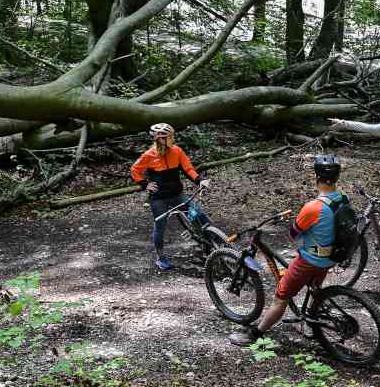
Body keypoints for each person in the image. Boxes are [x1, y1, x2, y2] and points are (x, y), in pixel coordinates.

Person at [229, 154, 344, 346]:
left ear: (317, 177)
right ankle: (311, 320)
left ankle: (255, 334)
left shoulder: (313, 207)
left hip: (310, 261)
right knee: (315, 289)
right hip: (331, 257)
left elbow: (293, 234)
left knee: (280, 298)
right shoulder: (343, 199)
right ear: (337, 177)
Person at [130, 123, 211, 271]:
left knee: (197, 215)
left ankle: (208, 248)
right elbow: (135, 170)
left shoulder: (177, 151)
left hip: (177, 195)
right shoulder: (149, 155)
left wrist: (199, 180)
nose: (173, 139)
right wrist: (144, 184)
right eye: (170, 137)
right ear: (161, 139)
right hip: (159, 198)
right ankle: (160, 258)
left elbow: (188, 169)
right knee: (160, 226)